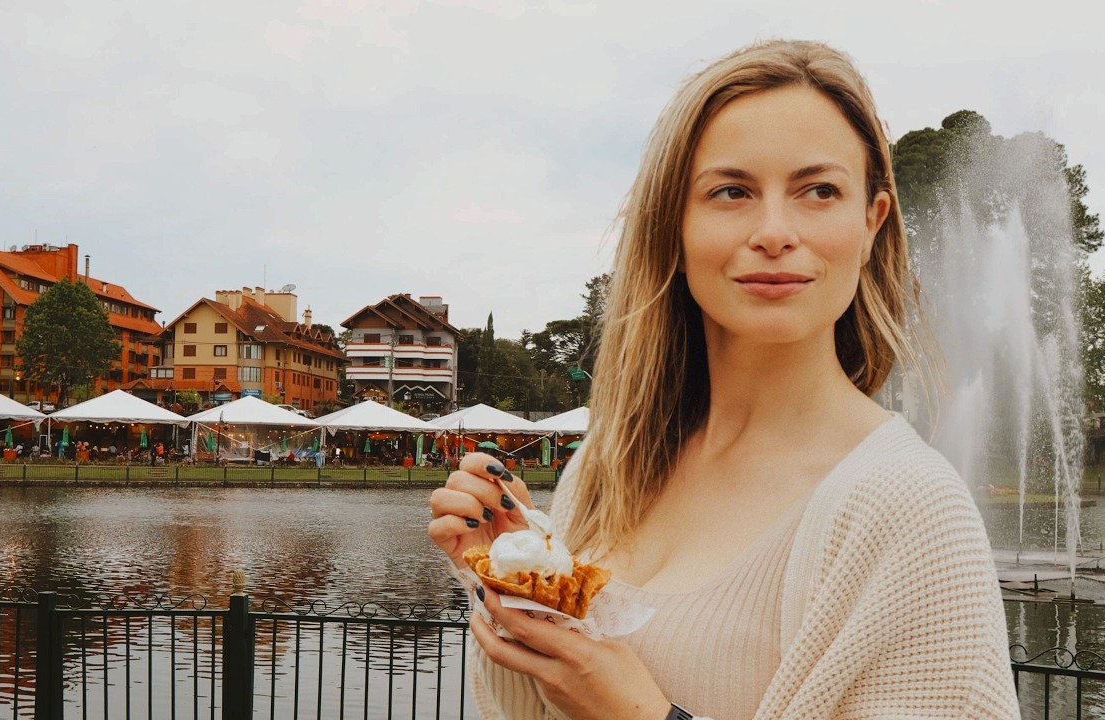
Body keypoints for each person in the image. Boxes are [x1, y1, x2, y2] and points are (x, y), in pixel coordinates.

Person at [428, 40, 1018, 720]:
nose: (773, 231)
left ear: (871, 222)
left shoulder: (908, 507)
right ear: (673, 227)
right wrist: (508, 578)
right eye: (731, 191)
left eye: (819, 191)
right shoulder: (605, 465)